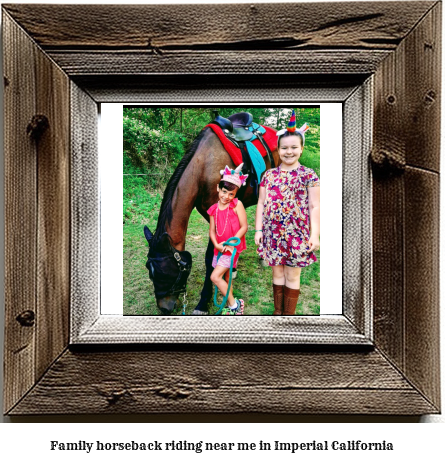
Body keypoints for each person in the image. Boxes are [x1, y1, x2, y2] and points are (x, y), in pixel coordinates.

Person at [255, 110, 320, 315]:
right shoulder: (268, 175)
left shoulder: (309, 175)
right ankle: (278, 313)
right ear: (278, 150)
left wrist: (314, 235)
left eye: (293, 147)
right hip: (272, 234)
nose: (288, 152)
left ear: (301, 149)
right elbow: (261, 202)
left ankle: (288, 316)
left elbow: (314, 206)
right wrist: (258, 230)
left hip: (297, 235)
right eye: (284, 148)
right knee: (277, 273)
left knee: (292, 276)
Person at [208, 163, 248, 315]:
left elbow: (244, 227)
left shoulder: (237, 205)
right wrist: (217, 245)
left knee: (215, 276)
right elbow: (212, 231)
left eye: (231, 194)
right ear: (218, 188)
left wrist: (231, 242)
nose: (226, 197)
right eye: (224, 192)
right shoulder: (214, 209)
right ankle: (231, 303)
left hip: (232, 249)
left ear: (235, 194)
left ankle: (234, 305)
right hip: (219, 248)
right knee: (226, 276)